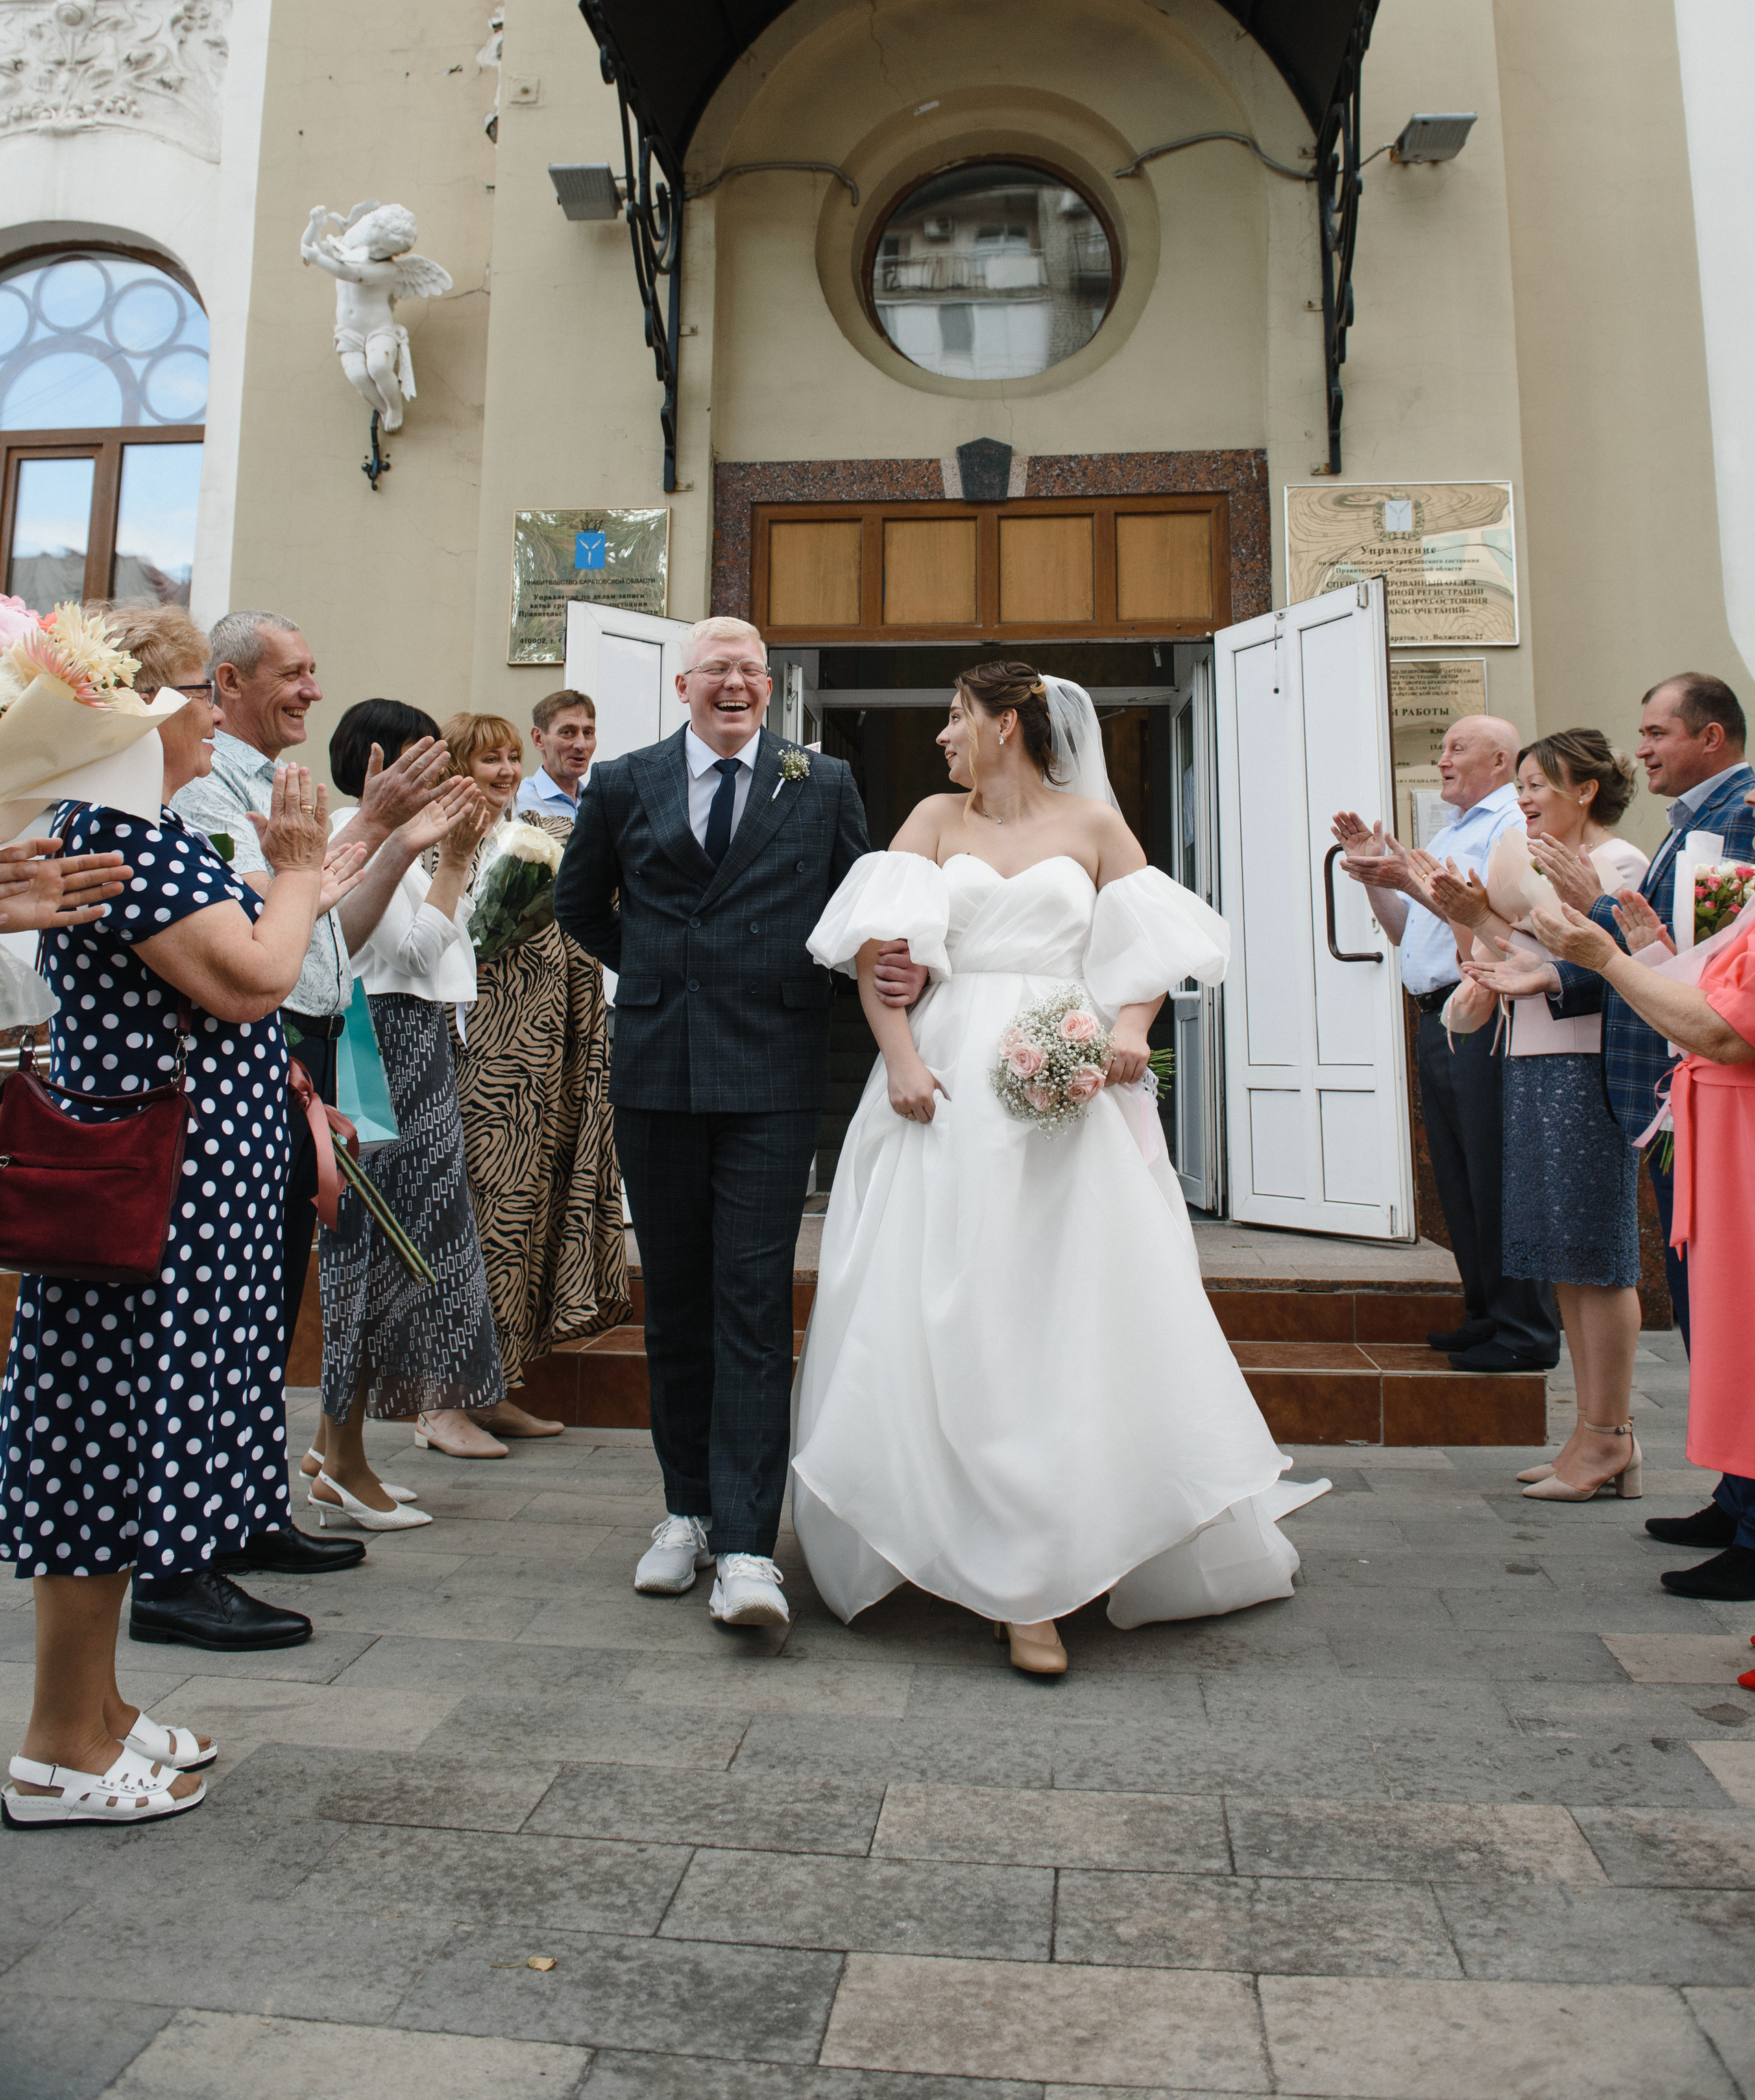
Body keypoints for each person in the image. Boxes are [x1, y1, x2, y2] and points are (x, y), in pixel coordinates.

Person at [792, 661, 1326, 1674]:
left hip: (1063, 1081)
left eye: (957, 715)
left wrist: (1125, 1028)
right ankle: (958, 1533)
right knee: (949, 1300)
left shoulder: (1092, 825)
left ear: (1007, 725)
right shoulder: (930, 820)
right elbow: (878, 956)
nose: (944, 733)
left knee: (1067, 1304)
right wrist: (901, 1060)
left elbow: (1151, 946)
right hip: (948, 1077)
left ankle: (1050, 1562)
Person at [1, 613, 356, 1824]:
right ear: (134, 720)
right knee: (105, 1438)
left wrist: (316, 867)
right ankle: (59, 1744)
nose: (213, 712)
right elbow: (254, 976)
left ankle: (96, 1710)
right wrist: (297, 868)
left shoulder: (141, 832)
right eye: (194, 695)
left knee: (132, 1436)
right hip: (152, 1196)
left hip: (180, 1193)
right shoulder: (119, 836)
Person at [554, 616, 926, 1628]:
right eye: (716, 668)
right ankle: (687, 1512)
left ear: (769, 686)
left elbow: (857, 915)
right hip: (659, 1067)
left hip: (771, 1069)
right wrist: (661, 966)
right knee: (675, 1300)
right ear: (683, 685)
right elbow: (579, 905)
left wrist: (901, 971)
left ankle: (751, 1546)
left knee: (753, 1303)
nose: (734, 684)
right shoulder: (623, 781)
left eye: (751, 671)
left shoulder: (824, 781)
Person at [170, 609, 465, 1583]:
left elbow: (330, 936)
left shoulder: (276, 784)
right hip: (255, 1045)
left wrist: (394, 845)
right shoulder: (204, 786)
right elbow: (258, 929)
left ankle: (256, 1508)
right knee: (238, 1298)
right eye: (294, 672)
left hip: (309, 1042)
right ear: (226, 684)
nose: (313, 690)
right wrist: (374, 830)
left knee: (267, 1297)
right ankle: (215, 1529)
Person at [1519, 675, 1755, 1564]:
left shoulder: (1741, 815)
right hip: (1675, 1080)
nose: (1643, 748)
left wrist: (1600, 921)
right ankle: (1735, 1494)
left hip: (1713, 1083)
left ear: (1712, 735)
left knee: (1728, 1311)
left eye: (1658, 732)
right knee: (1706, 1311)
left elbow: (1723, 969)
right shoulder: (1696, 815)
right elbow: (1690, 951)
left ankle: (1748, 1508)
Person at [307, 699, 505, 1529]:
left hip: (411, 1045)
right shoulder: (359, 836)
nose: (441, 775)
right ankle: (343, 1461)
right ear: (378, 763)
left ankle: (330, 1448)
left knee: (401, 1245)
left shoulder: (395, 839)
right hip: (376, 1048)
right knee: (375, 1250)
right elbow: (415, 952)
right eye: (424, 759)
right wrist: (455, 861)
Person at [1449, 733, 1647, 1501]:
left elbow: (1613, 965)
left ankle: (1611, 1436)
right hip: (1533, 1061)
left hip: (1587, 1066)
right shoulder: (1537, 865)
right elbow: (1521, 957)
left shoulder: (1619, 862)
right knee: (1565, 1258)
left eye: (1537, 786)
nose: (1524, 800)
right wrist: (1473, 917)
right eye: (1522, 786)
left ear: (1585, 791)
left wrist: (1535, 959)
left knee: (1598, 1256)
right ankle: (1590, 1433)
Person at [1333, 716, 1560, 1373]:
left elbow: (1495, 923)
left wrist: (1407, 878)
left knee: (1496, 1171)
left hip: (1487, 1009)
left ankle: (1525, 1330)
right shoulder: (1451, 830)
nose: (1442, 760)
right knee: (1460, 1177)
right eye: (1442, 749)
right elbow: (1405, 931)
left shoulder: (1508, 825)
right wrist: (1376, 876)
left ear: (1500, 760)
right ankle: (1485, 1313)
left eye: (1457, 748)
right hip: (1439, 1015)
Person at [444, 710, 628, 1433]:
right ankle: (441, 1401)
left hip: (543, 1062)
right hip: (475, 1062)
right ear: (456, 768)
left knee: (520, 1224)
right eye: (488, 759)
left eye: (512, 759)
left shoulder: (546, 835)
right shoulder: (436, 846)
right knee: (474, 1222)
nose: (506, 772)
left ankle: (493, 1387)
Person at [516, 689, 596, 819]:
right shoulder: (517, 802)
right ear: (538, 739)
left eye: (588, 733)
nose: (581, 745)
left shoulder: (597, 803)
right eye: (567, 733)